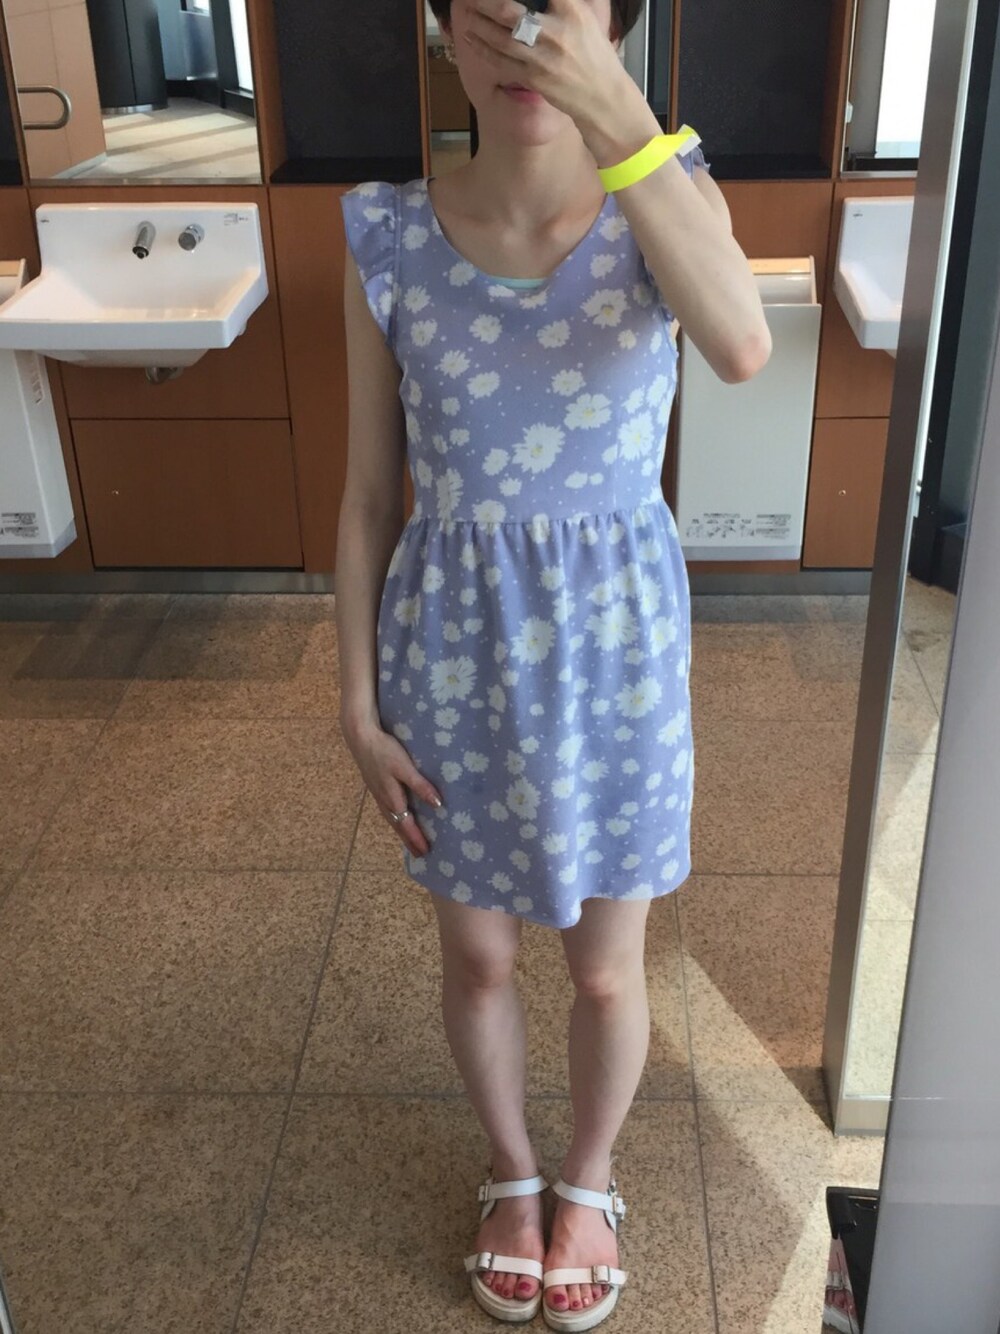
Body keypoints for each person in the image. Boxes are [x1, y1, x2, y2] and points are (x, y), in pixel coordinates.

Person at [336, 1, 771, 1327]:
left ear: (613, 25)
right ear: (442, 28)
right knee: (476, 959)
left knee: (603, 969)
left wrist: (621, 115)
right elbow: (368, 494)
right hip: (450, 658)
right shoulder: (387, 233)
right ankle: (513, 1173)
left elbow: (743, 347)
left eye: (561, 14)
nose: (526, 45)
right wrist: (355, 704)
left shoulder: (666, 196)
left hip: (616, 666)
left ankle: (590, 1180)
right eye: (496, 15)